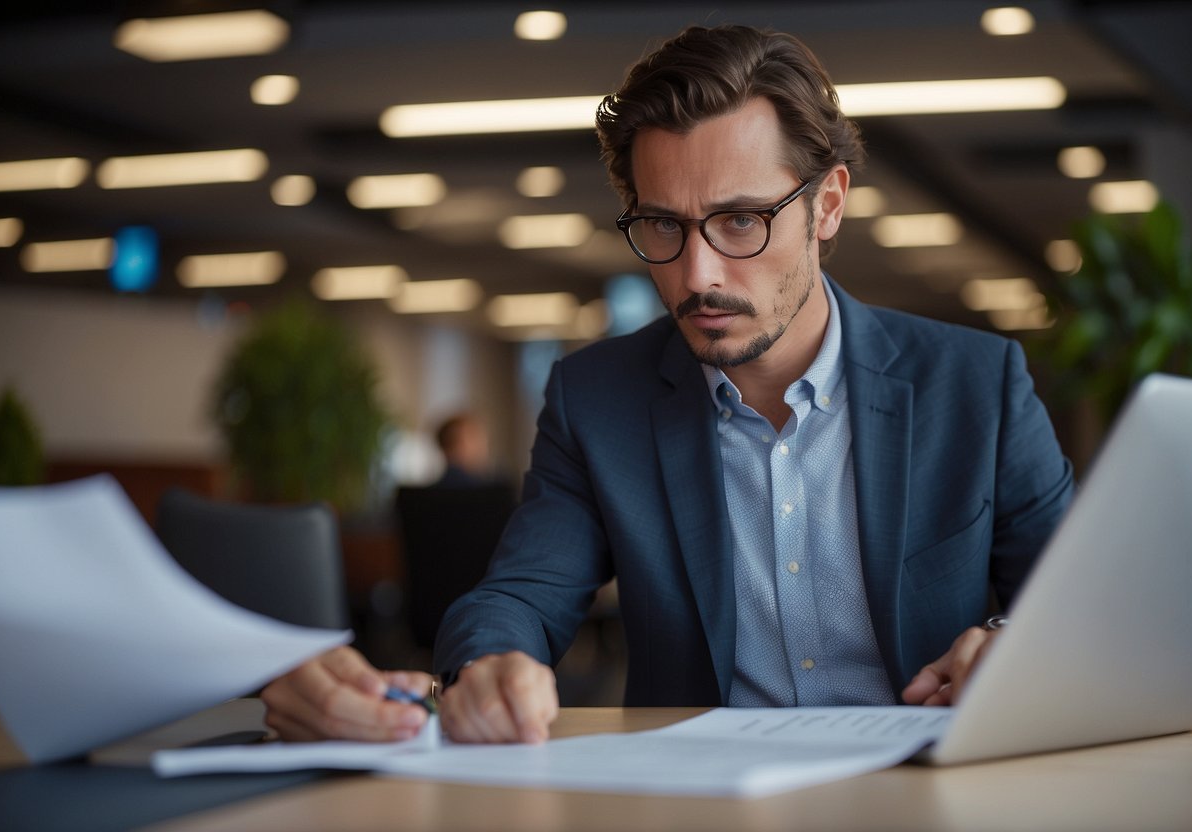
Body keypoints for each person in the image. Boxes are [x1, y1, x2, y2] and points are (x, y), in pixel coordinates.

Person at [260, 23, 1074, 745]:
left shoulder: (975, 384)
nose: (697, 274)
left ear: (826, 206)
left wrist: (1010, 637)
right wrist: (493, 666)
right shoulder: (595, 399)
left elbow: (1085, 605)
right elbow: (518, 595)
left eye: (740, 220)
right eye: (662, 226)